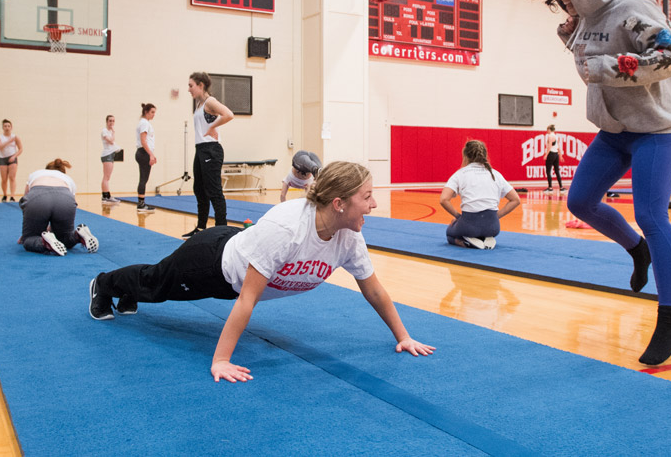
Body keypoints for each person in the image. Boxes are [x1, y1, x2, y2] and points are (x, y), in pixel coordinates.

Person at [88, 161, 434, 382]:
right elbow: (247, 298)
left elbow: (373, 290)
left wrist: (403, 337)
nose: (374, 205)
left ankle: (126, 291)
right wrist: (221, 360)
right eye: (368, 197)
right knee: (153, 284)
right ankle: (103, 285)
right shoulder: (288, 228)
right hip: (209, 263)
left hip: (239, 257)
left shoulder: (349, 237)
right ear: (339, 204)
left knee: (152, 287)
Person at [542, 0, 671, 366]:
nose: (561, 0)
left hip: (656, 130)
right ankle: (636, 249)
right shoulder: (582, 21)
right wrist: (569, 37)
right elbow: (590, 63)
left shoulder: (633, 9)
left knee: (651, 214)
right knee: (580, 201)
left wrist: (610, 66)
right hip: (615, 130)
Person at [440, 140, 521, 250]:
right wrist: (496, 216)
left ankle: (467, 241)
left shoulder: (460, 174)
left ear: (465, 155)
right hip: (493, 227)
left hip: (469, 226)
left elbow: (444, 199)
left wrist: (458, 216)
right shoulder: (495, 174)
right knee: (481, 226)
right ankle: (485, 238)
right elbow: (516, 200)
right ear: (485, 155)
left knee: (450, 233)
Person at [182, 73, 235, 239]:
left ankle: (222, 231)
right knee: (199, 189)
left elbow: (228, 114)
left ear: (201, 85)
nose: (188, 89)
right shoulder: (199, 104)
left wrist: (213, 127)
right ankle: (201, 228)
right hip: (201, 149)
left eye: (191, 85)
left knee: (214, 191)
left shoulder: (210, 101)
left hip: (211, 149)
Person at [18, 159, 98, 255]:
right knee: (64, 238)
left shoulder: (36, 174)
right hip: (65, 199)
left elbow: (25, 200)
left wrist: (28, 231)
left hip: (38, 197)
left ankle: (44, 242)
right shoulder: (67, 179)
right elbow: (73, 204)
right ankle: (77, 236)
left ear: (47, 169)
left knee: (29, 239)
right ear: (62, 171)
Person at [135, 103, 157, 213]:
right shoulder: (144, 124)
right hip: (143, 153)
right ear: (146, 112)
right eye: (152, 112)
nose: (154, 115)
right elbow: (143, 141)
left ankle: (141, 202)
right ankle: (141, 204)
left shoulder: (145, 123)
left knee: (144, 178)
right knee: (143, 178)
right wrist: (151, 154)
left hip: (144, 152)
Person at [0, 119, 23, 201]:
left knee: (12, 177)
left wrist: (14, 156)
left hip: (12, 158)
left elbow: (21, 149)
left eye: (8, 126)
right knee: (4, 179)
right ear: (3, 127)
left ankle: (12, 196)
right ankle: (4, 195)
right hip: (3, 158)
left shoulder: (15, 137)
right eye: (5, 126)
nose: (7, 127)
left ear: (11, 127)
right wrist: (9, 141)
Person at [100, 115, 121, 205]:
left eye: (113, 121)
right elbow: (111, 141)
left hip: (111, 155)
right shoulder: (105, 131)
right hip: (107, 155)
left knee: (108, 177)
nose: (111, 123)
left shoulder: (109, 131)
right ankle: (106, 196)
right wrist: (113, 132)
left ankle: (106, 195)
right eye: (110, 121)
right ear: (107, 122)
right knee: (106, 177)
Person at [543, 125, 564, 192]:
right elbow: (558, 147)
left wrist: (546, 154)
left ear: (549, 129)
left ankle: (550, 187)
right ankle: (561, 187)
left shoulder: (550, 136)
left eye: (547, 129)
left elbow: (550, 146)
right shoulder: (556, 136)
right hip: (556, 155)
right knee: (557, 171)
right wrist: (560, 155)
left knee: (548, 171)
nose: (546, 131)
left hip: (551, 154)